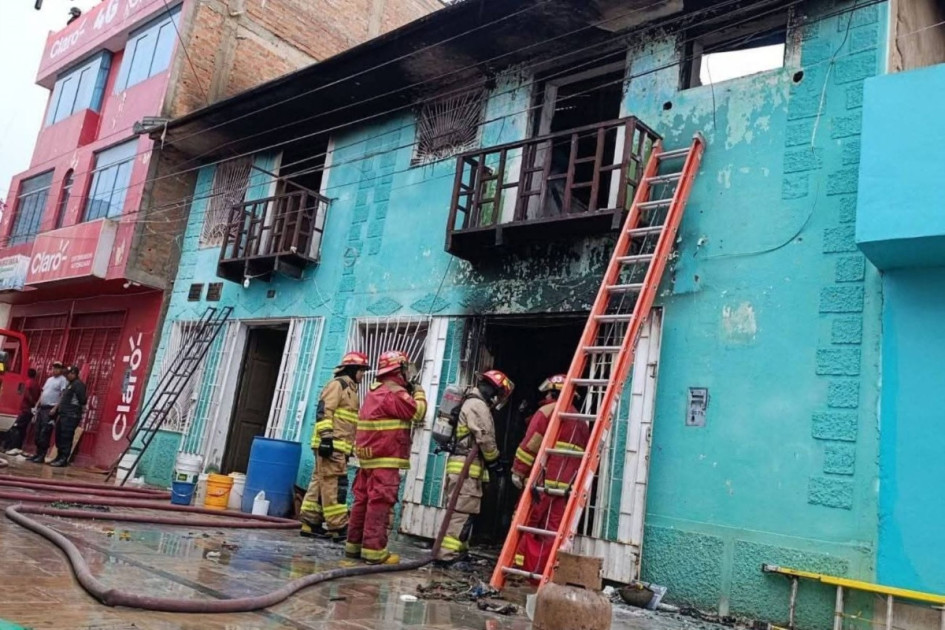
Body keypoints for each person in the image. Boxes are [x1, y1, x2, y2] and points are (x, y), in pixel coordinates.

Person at [345, 350, 426, 565]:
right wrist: (418, 392)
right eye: (406, 368)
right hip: (386, 457)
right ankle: (374, 551)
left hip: (369, 458)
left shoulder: (376, 390)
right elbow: (418, 412)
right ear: (398, 369)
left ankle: (353, 547)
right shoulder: (394, 392)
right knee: (380, 502)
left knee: (362, 500)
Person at [510, 374, 589, 578]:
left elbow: (530, 446)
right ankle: (544, 570)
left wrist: (518, 471)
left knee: (526, 523)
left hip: (541, 483)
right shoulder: (581, 421)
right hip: (565, 487)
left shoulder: (546, 411)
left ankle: (519, 567)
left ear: (552, 392)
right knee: (552, 530)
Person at [436, 369, 514, 565]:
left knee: (462, 511)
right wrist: (495, 462)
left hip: (463, 467)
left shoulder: (469, 401)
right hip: (466, 470)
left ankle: (459, 552)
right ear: (493, 391)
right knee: (460, 513)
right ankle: (447, 557)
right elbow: (485, 438)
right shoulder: (478, 405)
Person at [300, 351, 370, 541]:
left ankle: (310, 522)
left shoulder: (350, 389)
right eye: (362, 370)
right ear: (353, 369)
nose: (363, 375)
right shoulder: (338, 385)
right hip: (331, 446)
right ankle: (337, 526)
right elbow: (324, 411)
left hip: (337, 446)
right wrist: (326, 439)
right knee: (335, 484)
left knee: (320, 481)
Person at [27, 362, 67, 463]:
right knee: (37, 431)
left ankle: (42, 455)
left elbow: (63, 395)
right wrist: (37, 405)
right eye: (53, 368)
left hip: (50, 409)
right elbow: (43, 393)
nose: (54, 370)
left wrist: (55, 408)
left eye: (57, 368)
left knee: (45, 432)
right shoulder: (49, 379)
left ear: (61, 369)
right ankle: (37, 453)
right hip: (42, 408)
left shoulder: (62, 380)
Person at [48, 365, 87, 468]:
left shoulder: (78, 385)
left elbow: (83, 400)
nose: (66, 376)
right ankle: (59, 456)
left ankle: (63, 459)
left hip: (71, 415)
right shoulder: (70, 384)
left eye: (68, 374)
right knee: (59, 436)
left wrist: (75, 408)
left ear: (74, 373)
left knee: (66, 437)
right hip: (63, 414)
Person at [3, 368, 41, 455]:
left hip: (24, 409)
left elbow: (26, 394)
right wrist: (34, 404)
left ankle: (12, 447)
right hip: (29, 410)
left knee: (17, 428)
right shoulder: (37, 384)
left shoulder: (27, 383)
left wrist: (31, 402)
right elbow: (38, 394)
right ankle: (18, 447)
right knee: (23, 429)